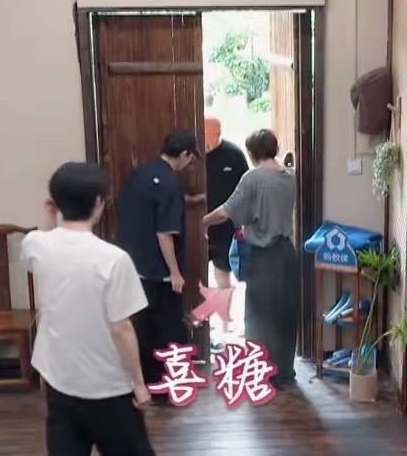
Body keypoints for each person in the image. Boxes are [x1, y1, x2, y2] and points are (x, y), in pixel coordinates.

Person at [21, 162, 155, 456]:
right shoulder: (114, 259)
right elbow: (121, 328)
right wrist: (139, 383)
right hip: (108, 386)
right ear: (99, 203)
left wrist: (50, 214)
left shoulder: (36, 244)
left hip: (59, 379)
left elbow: (41, 241)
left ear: (55, 203)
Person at [202, 129, 299, 389]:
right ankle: (284, 372)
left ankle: (262, 373)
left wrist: (204, 221)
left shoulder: (253, 178)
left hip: (264, 256)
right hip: (287, 255)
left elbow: (228, 211)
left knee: (259, 316)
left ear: (252, 153)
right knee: (285, 315)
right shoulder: (290, 176)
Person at [116, 129, 200, 400]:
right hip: (159, 272)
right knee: (169, 329)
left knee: (144, 328)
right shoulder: (171, 184)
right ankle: (168, 390)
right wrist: (175, 272)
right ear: (184, 154)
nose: (190, 163)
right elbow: (164, 233)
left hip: (134, 266)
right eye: (191, 157)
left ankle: (146, 384)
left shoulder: (140, 173)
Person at [204, 117, 249, 289]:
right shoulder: (191, 154)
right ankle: (200, 306)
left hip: (225, 225)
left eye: (209, 135)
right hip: (198, 224)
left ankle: (224, 306)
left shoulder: (234, 155)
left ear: (218, 133)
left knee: (222, 272)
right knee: (195, 273)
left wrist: (242, 223)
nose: (204, 140)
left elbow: (246, 191)